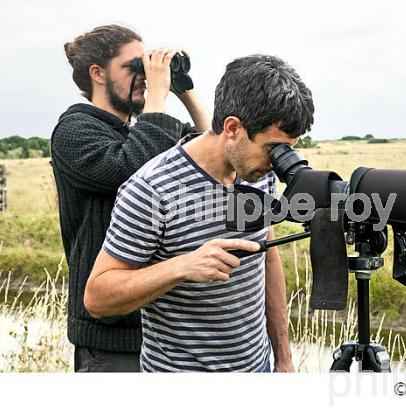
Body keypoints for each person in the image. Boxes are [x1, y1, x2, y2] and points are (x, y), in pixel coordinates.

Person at [83, 54, 314, 372]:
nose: (278, 161)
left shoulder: (259, 173)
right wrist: (182, 266)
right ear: (233, 128)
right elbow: (97, 298)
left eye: (287, 149)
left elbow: (267, 260)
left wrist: (283, 359)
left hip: (257, 370)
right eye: (272, 148)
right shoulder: (153, 189)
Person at [50, 24, 211, 372]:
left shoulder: (143, 130)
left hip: (164, 331)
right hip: (111, 337)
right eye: (133, 67)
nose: (144, 76)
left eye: (146, 66)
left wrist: (183, 89)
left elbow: (210, 145)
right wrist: (156, 95)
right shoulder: (74, 130)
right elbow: (135, 170)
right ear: (97, 73)